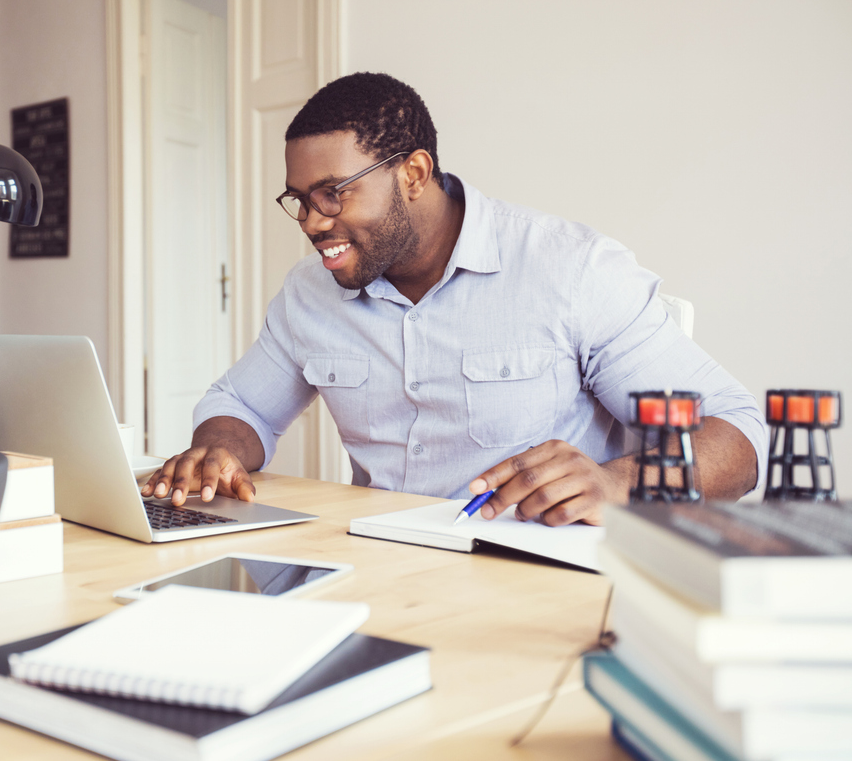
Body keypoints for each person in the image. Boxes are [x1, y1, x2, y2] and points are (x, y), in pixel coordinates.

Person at [141, 72, 764, 526]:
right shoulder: (310, 293)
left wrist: (618, 481)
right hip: (373, 561)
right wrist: (221, 447)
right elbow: (241, 403)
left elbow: (737, 431)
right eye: (300, 199)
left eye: (333, 193)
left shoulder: (571, 270)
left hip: (532, 577)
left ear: (412, 173)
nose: (310, 220)